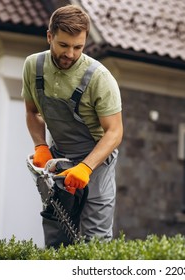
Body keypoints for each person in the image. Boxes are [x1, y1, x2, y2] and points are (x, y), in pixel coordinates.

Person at [21, 4, 123, 248]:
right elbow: (32, 112)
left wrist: (86, 167)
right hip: (60, 158)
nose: (70, 54)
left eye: (78, 47)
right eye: (63, 45)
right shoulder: (33, 67)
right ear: (50, 37)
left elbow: (115, 131)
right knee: (58, 235)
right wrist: (40, 146)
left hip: (97, 163)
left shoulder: (99, 78)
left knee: (94, 241)